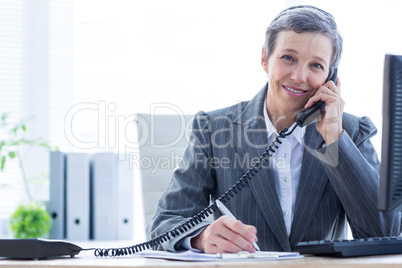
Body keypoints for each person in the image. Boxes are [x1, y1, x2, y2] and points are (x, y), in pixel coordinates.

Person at [146, 5, 401, 253]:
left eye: (316, 65)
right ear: (264, 59)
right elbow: (165, 223)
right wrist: (201, 237)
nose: (299, 76)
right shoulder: (214, 130)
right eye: (288, 58)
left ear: (331, 78)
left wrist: (334, 140)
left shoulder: (353, 132)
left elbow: (385, 233)